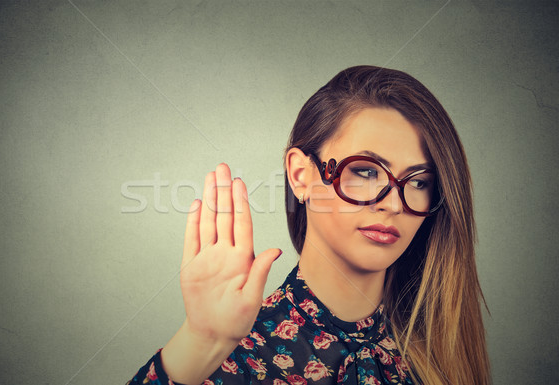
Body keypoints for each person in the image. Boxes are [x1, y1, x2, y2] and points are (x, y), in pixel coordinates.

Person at [127, 66, 490, 385]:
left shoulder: (442, 347)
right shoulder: (233, 353)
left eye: (418, 181)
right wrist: (199, 342)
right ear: (301, 175)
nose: (394, 204)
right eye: (365, 171)